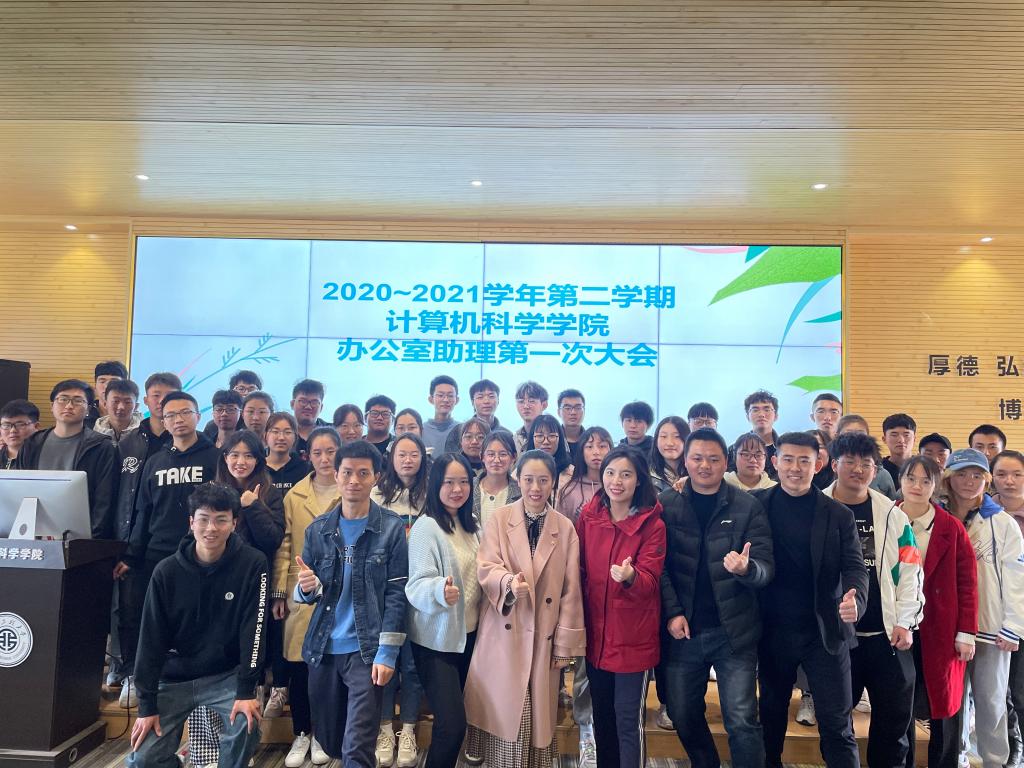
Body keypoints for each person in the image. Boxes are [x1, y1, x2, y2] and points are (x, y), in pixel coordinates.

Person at [124, 483, 267, 768]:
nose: (211, 528)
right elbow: (150, 640)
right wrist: (146, 705)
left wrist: (246, 690)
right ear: (191, 522)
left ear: (234, 524)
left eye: (221, 520)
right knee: (143, 760)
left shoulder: (252, 563)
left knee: (247, 723)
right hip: (173, 678)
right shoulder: (166, 571)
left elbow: (254, 630)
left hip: (224, 675)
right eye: (203, 519)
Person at [659, 427, 774, 768]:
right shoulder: (666, 504)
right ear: (685, 461)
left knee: (741, 719)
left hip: (734, 633)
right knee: (682, 712)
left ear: (726, 462)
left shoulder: (747, 506)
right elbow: (658, 567)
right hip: (684, 631)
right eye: (697, 458)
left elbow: (766, 568)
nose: (704, 465)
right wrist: (672, 612)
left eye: (713, 459)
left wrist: (747, 569)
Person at [464, 449, 586, 768]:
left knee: (536, 713)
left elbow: (571, 591)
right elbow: (486, 565)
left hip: (544, 635)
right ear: (517, 479)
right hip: (505, 630)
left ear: (553, 482)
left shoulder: (565, 528)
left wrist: (565, 647)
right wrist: (507, 583)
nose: (535, 488)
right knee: (506, 709)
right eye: (529, 479)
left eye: (543, 480)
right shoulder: (500, 518)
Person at [754, 431, 868, 768]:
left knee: (837, 723)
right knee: (771, 715)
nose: (795, 468)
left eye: (804, 461)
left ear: (817, 465)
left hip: (825, 631)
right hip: (772, 631)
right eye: (788, 459)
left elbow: (855, 567)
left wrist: (856, 599)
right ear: (775, 462)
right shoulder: (755, 505)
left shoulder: (838, 514)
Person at [294, 439, 408, 767]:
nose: (354, 480)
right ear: (336, 474)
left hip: (366, 649)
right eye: (347, 472)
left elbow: (396, 594)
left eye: (363, 473)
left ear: (376, 477)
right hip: (323, 648)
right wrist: (306, 589)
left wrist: (387, 652)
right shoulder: (318, 530)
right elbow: (309, 591)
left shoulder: (391, 528)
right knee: (331, 741)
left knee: (358, 745)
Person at [115, 390, 222, 709]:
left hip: (202, 555)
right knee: (144, 617)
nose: (178, 420)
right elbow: (142, 511)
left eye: (185, 413)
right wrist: (132, 554)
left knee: (198, 619)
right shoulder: (156, 461)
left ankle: (201, 682)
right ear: (162, 421)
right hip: (156, 553)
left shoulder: (216, 458)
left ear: (198, 416)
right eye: (170, 415)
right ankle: (137, 678)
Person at [823, 431, 924, 767]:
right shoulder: (816, 507)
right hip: (836, 639)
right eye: (850, 461)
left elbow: (910, 571)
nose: (858, 469)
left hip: (886, 636)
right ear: (834, 464)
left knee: (894, 725)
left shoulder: (892, 514)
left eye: (866, 463)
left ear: (876, 469)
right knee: (836, 723)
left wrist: (905, 622)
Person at [577, 446, 666, 768]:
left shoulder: (652, 524)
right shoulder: (589, 516)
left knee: (627, 722)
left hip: (632, 638)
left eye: (626, 475)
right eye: (611, 473)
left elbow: (651, 582)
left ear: (639, 480)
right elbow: (579, 571)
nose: (616, 481)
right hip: (596, 637)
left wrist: (631, 577)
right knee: (602, 717)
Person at [942, 448, 1024, 768]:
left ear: (987, 480)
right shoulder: (937, 517)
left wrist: (1013, 626)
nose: (969, 481)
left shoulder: (1002, 523)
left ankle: (995, 761)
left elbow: (1017, 578)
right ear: (948, 477)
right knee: (952, 701)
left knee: (992, 703)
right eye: (962, 474)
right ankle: (958, 758)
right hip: (949, 628)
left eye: (977, 475)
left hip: (991, 630)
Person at [898, 456, 977, 768]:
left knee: (944, 704)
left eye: (926, 480)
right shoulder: (887, 517)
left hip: (942, 627)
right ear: (900, 480)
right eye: (911, 478)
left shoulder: (951, 527)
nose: (917, 486)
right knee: (899, 701)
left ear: (936, 485)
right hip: (897, 626)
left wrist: (966, 632)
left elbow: (968, 583)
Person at [105, 372, 181, 699]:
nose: (161, 401)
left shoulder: (182, 444)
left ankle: (164, 673)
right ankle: (130, 672)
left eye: (168, 395)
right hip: (130, 541)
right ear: (146, 401)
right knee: (130, 610)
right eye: (156, 395)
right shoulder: (129, 442)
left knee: (169, 612)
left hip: (168, 542)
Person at [269, 426, 341, 767]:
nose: (324, 459)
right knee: (299, 665)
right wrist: (280, 592)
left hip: (341, 590)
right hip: (302, 589)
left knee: (331, 667)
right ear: (307, 456)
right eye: (317, 452)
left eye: (331, 452)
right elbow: (284, 546)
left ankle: (325, 733)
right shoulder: (295, 495)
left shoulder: (353, 489)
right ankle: (301, 732)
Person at [405, 452, 482, 768]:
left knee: (452, 724)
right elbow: (416, 584)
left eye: (463, 482)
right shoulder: (426, 527)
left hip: (470, 636)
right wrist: (439, 590)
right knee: (452, 727)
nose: (457, 489)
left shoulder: (472, 523)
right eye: (449, 482)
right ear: (436, 484)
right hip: (436, 641)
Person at [371, 434, 429, 768]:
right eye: (401, 454)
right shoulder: (377, 494)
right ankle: (383, 729)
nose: (408, 460)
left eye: (414, 454)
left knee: (412, 665)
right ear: (391, 458)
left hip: (421, 590)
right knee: (387, 660)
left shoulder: (431, 493)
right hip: (386, 590)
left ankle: (407, 729)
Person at [15, 378, 118, 538]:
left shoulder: (101, 447)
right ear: (52, 406)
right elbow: (19, 489)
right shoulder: (32, 444)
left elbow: (104, 499)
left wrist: (92, 539)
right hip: (35, 534)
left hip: (81, 537)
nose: (69, 406)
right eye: (63, 399)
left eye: (78, 401)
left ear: (89, 409)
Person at [991, 450, 1024, 766]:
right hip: (995, 617)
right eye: (1001, 474)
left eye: (1017, 474)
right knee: (1003, 692)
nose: (1009, 481)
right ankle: (1014, 749)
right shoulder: (983, 513)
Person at [835, 414, 899, 499]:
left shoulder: (882, 474)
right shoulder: (829, 468)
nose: (855, 439)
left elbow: (892, 503)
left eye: (860, 434)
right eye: (849, 434)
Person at [473, 429, 521, 529]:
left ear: (514, 457)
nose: (496, 460)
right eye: (491, 454)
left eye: (503, 454)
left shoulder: (521, 492)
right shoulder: (468, 488)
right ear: (482, 456)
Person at [444, 379, 501, 452]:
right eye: (480, 397)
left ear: (498, 401)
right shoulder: (458, 431)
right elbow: (449, 457)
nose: (486, 401)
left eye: (491, 396)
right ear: (472, 402)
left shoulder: (505, 434)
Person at [264, 412, 312, 494]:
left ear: (295, 437)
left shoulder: (305, 469)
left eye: (288, 432)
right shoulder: (257, 467)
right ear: (265, 435)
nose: (281, 438)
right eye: (275, 432)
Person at [523, 414, 571, 493]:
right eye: (539, 436)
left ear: (560, 439)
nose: (546, 442)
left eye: (552, 436)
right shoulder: (522, 469)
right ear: (532, 439)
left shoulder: (571, 474)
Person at [421, 375, 461, 455]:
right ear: (431, 399)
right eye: (440, 395)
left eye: (450, 396)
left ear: (457, 400)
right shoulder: (421, 430)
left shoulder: (462, 430)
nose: (445, 400)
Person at [94, 378, 142, 442]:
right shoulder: (94, 434)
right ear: (105, 404)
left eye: (127, 402)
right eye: (115, 401)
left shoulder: (144, 433)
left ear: (136, 406)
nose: (121, 407)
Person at [650, 416, 689, 493]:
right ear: (656, 442)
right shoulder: (647, 477)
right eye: (664, 436)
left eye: (677, 436)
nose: (670, 443)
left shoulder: (697, 475)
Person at [292, 379, 329, 457]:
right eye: (303, 401)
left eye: (314, 402)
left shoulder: (332, 432)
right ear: (292, 404)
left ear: (321, 407)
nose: (308, 407)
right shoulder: (282, 434)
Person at [87, 360, 128, 428]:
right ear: (95, 386)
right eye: (102, 382)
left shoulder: (135, 420)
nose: (107, 386)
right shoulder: (83, 415)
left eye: (114, 382)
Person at [0, 398, 39, 469]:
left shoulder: (44, 457)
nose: (12, 430)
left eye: (20, 424)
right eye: (6, 425)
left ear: (36, 426)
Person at [882, 413, 917, 488]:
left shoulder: (923, 467)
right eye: (894, 435)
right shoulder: (878, 470)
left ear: (914, 439)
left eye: (906, 435)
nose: (901, 440)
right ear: (884, 439)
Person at [513, 381, 548, 453]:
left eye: (531, 401)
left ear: (544, 405)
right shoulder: (514, 438)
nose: (526, 406)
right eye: (521, 401)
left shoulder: (554, 435)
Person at [557, 389, 586, 456]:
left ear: (584, 411)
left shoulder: (590, 440)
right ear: (558, 412)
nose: (573, 412)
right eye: (567, 408)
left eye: (578, 408)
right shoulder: (553, 440)